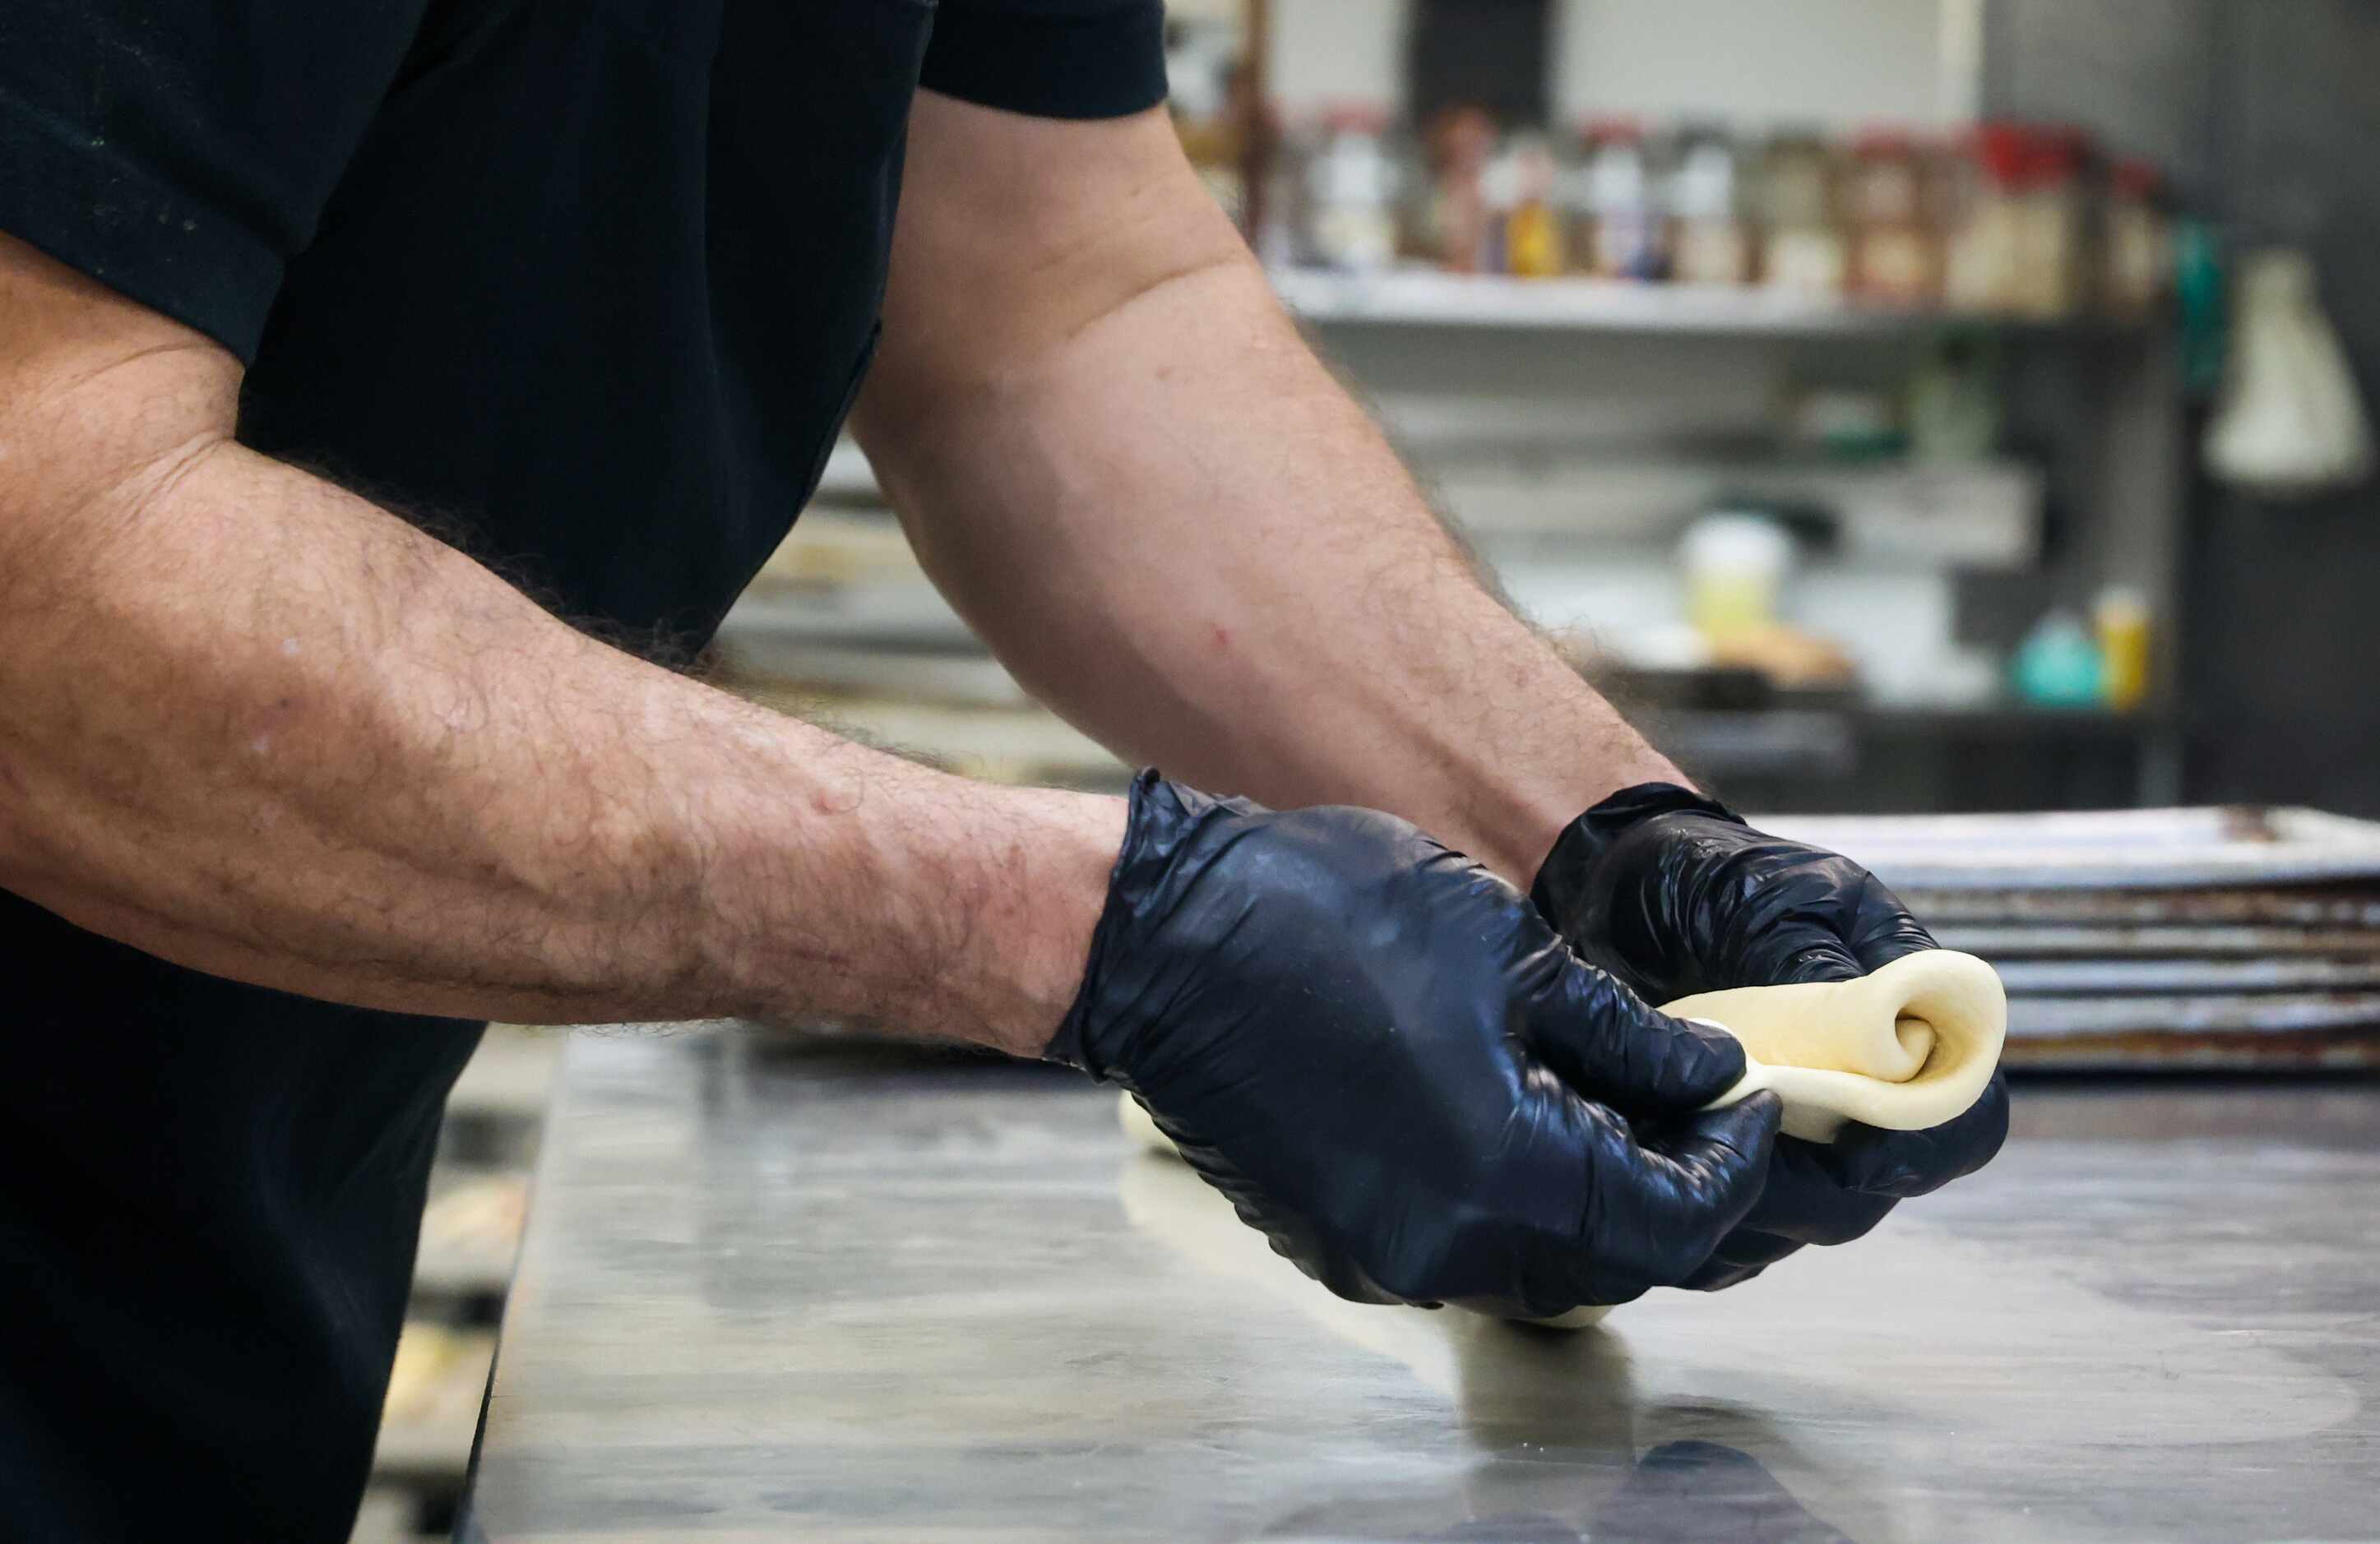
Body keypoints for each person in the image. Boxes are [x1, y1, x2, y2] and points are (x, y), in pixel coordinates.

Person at [0, 2, 2007, 1535]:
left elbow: (1053, 299)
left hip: (205, 1277)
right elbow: (42, 556)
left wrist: (1592, 839)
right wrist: (1104, 931)